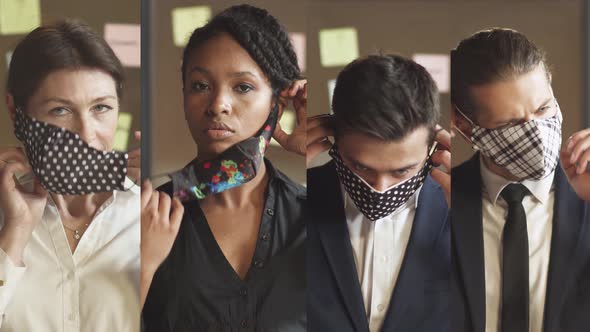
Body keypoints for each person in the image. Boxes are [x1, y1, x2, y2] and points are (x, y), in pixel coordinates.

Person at [140, 5, 307, 331]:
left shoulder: (314, 217)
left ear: (277, 104)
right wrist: (142, 267)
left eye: (242, 87)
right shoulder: (147, 215)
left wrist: (314, 153)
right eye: (200, 85)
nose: (218, 105)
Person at [0, 20, 141, 331]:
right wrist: (15, 230)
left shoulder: (153, 214)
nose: (87, 135)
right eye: (60, 111)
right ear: (16, 111)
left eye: (101, 108)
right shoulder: (5, 216)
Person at [451, 28, 590, 332]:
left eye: (544, 108)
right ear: (464, 128)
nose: (536, 132)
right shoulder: (437, 202)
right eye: (510, 124)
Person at [306, 54, 451, 331]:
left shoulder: (464, 212)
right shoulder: (293, 202)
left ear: (435, 146)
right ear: (332, 137)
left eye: (401, 171)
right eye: (361, 167)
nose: (380, 188)